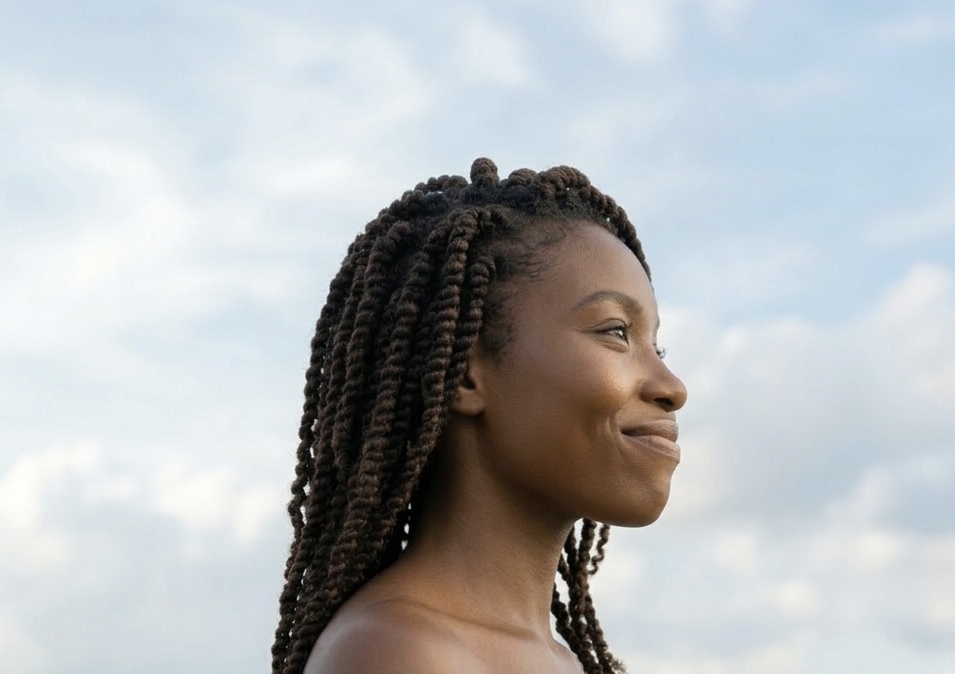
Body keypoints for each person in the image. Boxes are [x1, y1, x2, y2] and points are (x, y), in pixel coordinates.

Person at [270, 158, 688, 674]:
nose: (672, 388)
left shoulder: (561, 661)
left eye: (658, 347)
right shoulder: (402, 651)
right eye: (615, 331)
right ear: (464, 372)